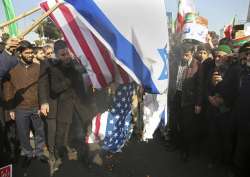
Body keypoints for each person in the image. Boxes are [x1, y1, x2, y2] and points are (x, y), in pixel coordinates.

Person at [48, 40, 94, 171]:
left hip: (79, 107)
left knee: (80, 135)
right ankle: (59, 159)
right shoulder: (54, 69)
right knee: (61, 137)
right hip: (64, 109)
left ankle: (84, 158)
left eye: (67, 53)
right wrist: (68, 81)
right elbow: (54, 89)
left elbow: (83, 82)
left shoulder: (76, 66)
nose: (66, 56)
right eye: (62, 55)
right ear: (56, 56)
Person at [3, 40, 48, 169]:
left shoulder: (38, 68)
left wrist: (43, 104)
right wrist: (11, 108)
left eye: (31, 52)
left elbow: (42, 87)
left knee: (39, 132)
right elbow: (8, 89)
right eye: (27, 53)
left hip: (36, 107)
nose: (30, 55)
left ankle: (39, 152)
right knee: (23, 133)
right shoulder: (12, 70)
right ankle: (28, 153)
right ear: (20, 53)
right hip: (20, 108)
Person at [206, 45, 241, 171]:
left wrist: (222, 96)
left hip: (227, 112)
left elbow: (236, 92)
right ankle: (214, 159)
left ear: (228, 57)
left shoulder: (235, 71)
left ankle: (227, 165)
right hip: (213, 110)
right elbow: (207, 88)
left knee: (227, 140)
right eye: (216, 55)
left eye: (221, 56)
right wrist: (210, 97)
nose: (217, 58)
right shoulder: (212, 70)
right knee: (213, 136)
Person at [169, 43, 202, 162]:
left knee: (186, 126)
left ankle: (185, 150)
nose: (184, 57)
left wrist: (198, 103)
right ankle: (175, 143)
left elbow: (200, 86)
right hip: (176, 95)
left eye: (187, 55)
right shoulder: (176, 62)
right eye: (183, 54)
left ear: (192, 53)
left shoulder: (197, 66)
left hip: (188, 99)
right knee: (174, 121)